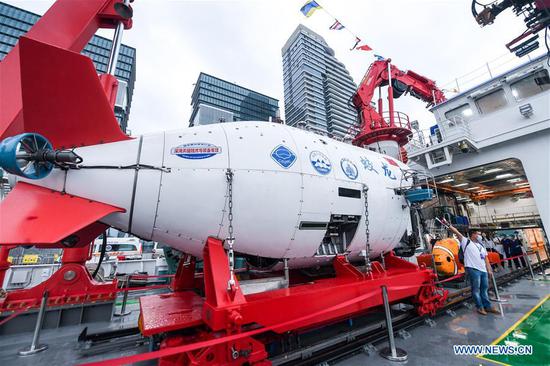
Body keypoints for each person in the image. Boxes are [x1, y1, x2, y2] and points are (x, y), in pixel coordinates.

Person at [443, 221, 500, 315]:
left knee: (484, 288)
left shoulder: (481, 246)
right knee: (476, 289)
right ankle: (480, 307)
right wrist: (449, 225)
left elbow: (485, 259)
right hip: (473, 269)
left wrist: (489, 269)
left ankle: (488, 306)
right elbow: (457, 232)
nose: (480, 235)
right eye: (478, 234)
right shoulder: (466, 242)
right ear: (473, 235)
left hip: (483, 270)